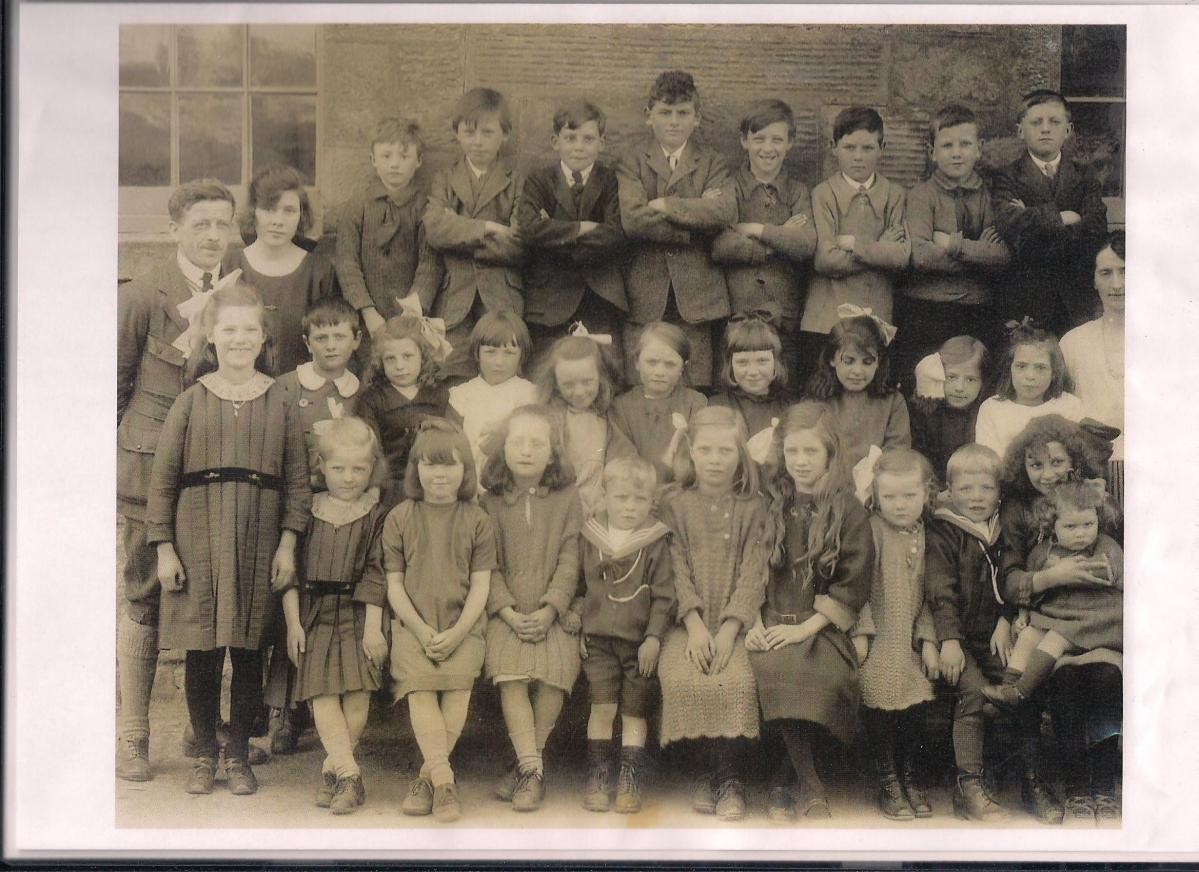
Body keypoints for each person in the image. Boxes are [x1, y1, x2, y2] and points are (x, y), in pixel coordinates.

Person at [145, 282, 311, 796]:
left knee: (246, 650)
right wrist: (165, 546)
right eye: (229, 329)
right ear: (212, 337)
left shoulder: (280, 400)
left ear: (263, 338)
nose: (240, 338)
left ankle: (238, 752)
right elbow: (164, 479)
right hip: (198, 536)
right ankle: (205, 755)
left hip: (259, 536)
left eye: (250, 329)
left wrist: (287, 543)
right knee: (201, 651)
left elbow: (299, 481)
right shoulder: (191, 401)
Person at [116, 178, 237, 782]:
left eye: (222, 224)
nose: (213, 236)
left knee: (206, 599)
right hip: (146, 471)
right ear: (174, 231)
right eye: (200, 225)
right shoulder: (143, 294)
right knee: (143, 596)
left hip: (211, 474)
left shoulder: (240, 295)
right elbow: (113, 388)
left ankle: (204, 731)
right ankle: (134, 736)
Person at [747, 402, 874, 822]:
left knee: (820, 675)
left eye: (811, 453)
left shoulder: (847, 509)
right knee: (778, 669)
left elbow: (853, 580)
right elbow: (749, 569)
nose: (801, 462)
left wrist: (807, 629)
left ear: (830, 455)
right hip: (769, 620)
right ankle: (808, 786)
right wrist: (754, 620)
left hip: (820, 627)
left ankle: (791, 780)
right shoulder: (770, 502)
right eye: (793, 453)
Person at [997, 414, 1121, 825]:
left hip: (1098, 620)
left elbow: (1116, 559)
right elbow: (1011, 573)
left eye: (1056, 462)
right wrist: (1050, 577)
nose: (1047, 473)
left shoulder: (1090, 498)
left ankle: (1102, 782)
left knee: (1103, 675)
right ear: (1023, 466)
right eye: (1036, 465)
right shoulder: (1015, 510)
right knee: (1062, 676)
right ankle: (1058, 784)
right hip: (1047, 615)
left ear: (1073, 462)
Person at [656, 406, 770, 822]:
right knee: (684, 678)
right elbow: (674, 569)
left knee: (737, 680)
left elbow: (754, 573)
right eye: (706, 450)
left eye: (726, 451)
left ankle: (730, 776)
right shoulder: (674, 504)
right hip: (687, 624)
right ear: (691, 453)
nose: (716, 459)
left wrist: (728, 630)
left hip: (736, 624)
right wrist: (694, 625)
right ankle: (703, 771)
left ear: (741, 456)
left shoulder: (754, 507)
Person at [383, 420, 496, 823]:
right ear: (415, 470)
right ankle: (445, 780)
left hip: (463, 626)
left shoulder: (478, 519)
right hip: (413, 626)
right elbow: (394, 586)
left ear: (466, 470)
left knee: (457, 687)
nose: (440, 475)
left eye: (449, 465)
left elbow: (481, 587)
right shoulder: (399, 517)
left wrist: (457, 632)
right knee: (421, 689)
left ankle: (427, 777)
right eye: (429, 465)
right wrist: (421, 630)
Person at [283, 417, 389, 815]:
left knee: (358, 693)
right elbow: (289, 570)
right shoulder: (307, 511)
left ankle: (336, 769)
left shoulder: (375, 513)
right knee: (322, 693)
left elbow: (378, 571)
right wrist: (293, 622)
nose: (348, 477)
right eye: (338, 468)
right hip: (314, 613)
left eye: (359, 469)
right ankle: (350, 776)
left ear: (371, 468)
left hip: (361, 613)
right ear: (321, 466)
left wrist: (374, 629)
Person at [480, 406, 584, 812]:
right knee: (511, 675)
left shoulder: (567, 499)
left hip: (551, 611)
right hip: (505, 612)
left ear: (553, 451)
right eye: (517, 442)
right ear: (503, 449)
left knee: (555, 671)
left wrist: (551, 609)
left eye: (536, 443)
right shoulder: (489, 502)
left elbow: (570, 559)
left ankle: (527, 767)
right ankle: (533, 769)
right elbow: (486, 564)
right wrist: (506, 611)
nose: (526, 450)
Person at [616, 69, 736, 387]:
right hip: (645, 292)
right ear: (648, 116)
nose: (673, 121)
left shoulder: (712, 162)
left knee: (695, 386)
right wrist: (692, 221)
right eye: (665, 113)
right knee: (643, 385)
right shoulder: (632, 161)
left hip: (696, 295)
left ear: (696, 118)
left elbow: (723, 211)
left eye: (683, 113)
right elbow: (632, 219)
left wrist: (665, 205)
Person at [577, 456, 675, 814]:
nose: (630, 507)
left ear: (652, 501)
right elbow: (579, 587)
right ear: (605, 497)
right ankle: (598, 776)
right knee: (602, 707)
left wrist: (654, 638)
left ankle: (629, 778)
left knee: (635, 713)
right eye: (621, 498)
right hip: (599, 640)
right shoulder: (591, 536)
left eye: (639, 499)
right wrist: (578, 625)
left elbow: (665, 596)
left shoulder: (654, 540)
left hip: (638, 644)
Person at [923, 442, 1014, 821]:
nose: (976, 498)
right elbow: (940, 592)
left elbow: (1011, 578)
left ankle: (1028, 776)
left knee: (1017, 684)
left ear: (999, 491)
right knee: (973, 693)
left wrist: (1007, 618)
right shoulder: (944, 531)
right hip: (957, 638)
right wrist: (949, 641)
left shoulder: (1001, 529)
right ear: (949, 489)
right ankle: (968, 787)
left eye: (986, 489)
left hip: (993, 634)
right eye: (966, 489)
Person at [851, 448, 940, 821]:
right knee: (881, 688)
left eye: (909, 496)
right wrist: (862, 632)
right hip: (879, 632)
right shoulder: (870, 530)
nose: (900, 505)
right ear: (875, 495)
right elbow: (855, 586)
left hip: (913, 634)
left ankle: (909, 774)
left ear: (926, 494)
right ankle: (887, 778)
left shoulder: (930, 534)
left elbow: (936, 593)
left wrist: (930, 639)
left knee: (918, 695)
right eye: (889, 497)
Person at [984, 478, 1122, 711]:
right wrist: (1023, 612)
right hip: (1058, 617)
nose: (1081, 534)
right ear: (1053, 526)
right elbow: (1032, 585)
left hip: (1096, 621)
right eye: (1070, 527)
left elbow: (1112, 573)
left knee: (1054, 638)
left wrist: (1067, 568)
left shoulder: (1104, 546)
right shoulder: (1043, 551)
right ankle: (1006, 689)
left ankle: (1020, 693)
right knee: (1028, 635)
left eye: (1088, 524)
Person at [897, 104, 1010, 386]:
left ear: (979, 148)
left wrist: (950, 243)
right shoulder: (922, 196)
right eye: (947, 145)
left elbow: (1002, 255)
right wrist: (977, 253)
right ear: (931, 151)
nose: (956, 152)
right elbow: (921, 256)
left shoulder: (989, 195)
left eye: (965, 144)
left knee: (975, 386)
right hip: (927, 310)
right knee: (929, 387)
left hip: (978, 310)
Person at [516, 100, 628, 374]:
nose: (578, 146)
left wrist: (553, 233)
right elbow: (529, 229)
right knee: (545, 376)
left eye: (588, 139)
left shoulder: (610, 181)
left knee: (602, 377)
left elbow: (615, 234)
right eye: (570, 138)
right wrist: (582, 228)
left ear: (602, 142)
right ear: (556, 142)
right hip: (549, 299)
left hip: (598, 296)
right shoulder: (539, 181)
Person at [422, 88, 526, 381]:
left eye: (488, 133)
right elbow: (433, 230)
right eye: (469, 132)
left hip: (502, 300)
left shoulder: (518, 181)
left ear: (504, 134)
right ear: (457, 133)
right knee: (448, 376)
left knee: (503, 377)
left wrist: (457, 235)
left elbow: (519, 243)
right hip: (454, 300)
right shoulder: (444, 179)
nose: (477, 142)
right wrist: (488, 228)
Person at [798, 106, 909, 379]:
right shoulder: (823, 193)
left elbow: (901, 257)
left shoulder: (894, 195)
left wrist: (851, 243)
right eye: (849, 147)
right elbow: (825, 259)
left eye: (868, 148)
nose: (858, 157)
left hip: (877, 316)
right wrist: (878, 247)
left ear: (882, 147)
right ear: (833, 147)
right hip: (827, 318)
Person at [711, 99, 817, 383]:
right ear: (744, 141)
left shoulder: (797, 192)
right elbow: (721, 246)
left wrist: (756, 228)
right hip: (738, 314)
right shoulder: (729, 186)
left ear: (790, 142)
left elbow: (805, 244)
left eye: (777, 140)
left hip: (784, 316)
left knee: (783, 389)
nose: (768, 148)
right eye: (759, 139)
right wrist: (780, 236)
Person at [992, 90, 1108, 334]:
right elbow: (1011, 227)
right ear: (1020, 130)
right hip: (1026, 296)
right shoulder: (1006, 176)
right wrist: (1067, 217)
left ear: (1067, 130)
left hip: (1075, 297)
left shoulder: (1085, 176)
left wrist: (1033, 216)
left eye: (1054, 122)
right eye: (1036, 122)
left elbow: (1095, 228)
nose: (1045, 129)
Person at [334, 117, 441, 360]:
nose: (394, 164)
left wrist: (411, 311)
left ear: (419, 161)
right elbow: (346, 263)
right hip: (365, 319)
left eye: (404, 157)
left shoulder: (425, 208)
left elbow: (430, 264)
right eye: (386, 156)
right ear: (373, 160)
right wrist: (368, 312)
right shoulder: (357, 205)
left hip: (409, 318)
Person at [228, 164, 338, 373]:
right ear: (253, 213)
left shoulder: (320, 271)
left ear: (301, 216)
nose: (278, 221)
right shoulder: (231, 266)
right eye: (269, 209)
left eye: (289, 211)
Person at [534, 327, 636, 516]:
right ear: (556, 383)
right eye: (568, 385)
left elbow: (624, 461)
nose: (579, 392)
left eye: (587, 382)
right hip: (561, 507)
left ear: (601, 377)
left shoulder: (611, 417)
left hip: (602, 508)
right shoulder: (550, 418)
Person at [355, 311, 452, 505]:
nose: (400, 366)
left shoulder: (438, 394)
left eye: (407, 356)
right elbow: (371, 450)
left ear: (423, 356)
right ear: (380, 362)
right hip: (390, 487)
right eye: (390, 359)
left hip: (433, 483)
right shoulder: (372, 399)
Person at [804, 306, 910, 477]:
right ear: (832, 359)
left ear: (879, 362)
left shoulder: (893, 402)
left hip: (874, 487)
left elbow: (896, 453)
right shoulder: (816, 400)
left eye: (867, 362)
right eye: (849, 361)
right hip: (826, 485)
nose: (858, 371)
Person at [1060, 231, 1125, 506]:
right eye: (1106, 273)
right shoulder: (1073, 342)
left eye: (1125, 271)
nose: (1117, 284)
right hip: (1091, 474)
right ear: (1093, 280)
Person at [447, 310, 538, 488]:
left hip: (516, 487)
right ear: (477, 353)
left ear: (522, 354)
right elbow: (452, 448)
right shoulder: (461, 396)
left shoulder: (530, 395)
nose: (499, 362)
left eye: (509, 353)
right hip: (469, 486)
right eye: (490, 352)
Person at [608, 322, 708, 485]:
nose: (659, 372)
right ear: (637, 362)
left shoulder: (695, 403)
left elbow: (696, 456)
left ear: (683, 366)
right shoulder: (621, 407)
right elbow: (622, 459)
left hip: (681, 490)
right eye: (652, 362)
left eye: (670, 364)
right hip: (636, 491)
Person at [974, 320, 1084, 461]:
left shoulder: (1070, 406)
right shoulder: (991, 408)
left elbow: (1077, 458)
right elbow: (989, 464)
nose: (1030, 376)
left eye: (1040, 367)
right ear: (1010, 369)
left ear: (1054, 372)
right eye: (1021, 366)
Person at [909, 335, 990, 483]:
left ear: (983, 382)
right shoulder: (927, 413)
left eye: (970, 379)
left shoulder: (986, 413)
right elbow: (919, 460)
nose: (959, 388)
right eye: (951, 377)